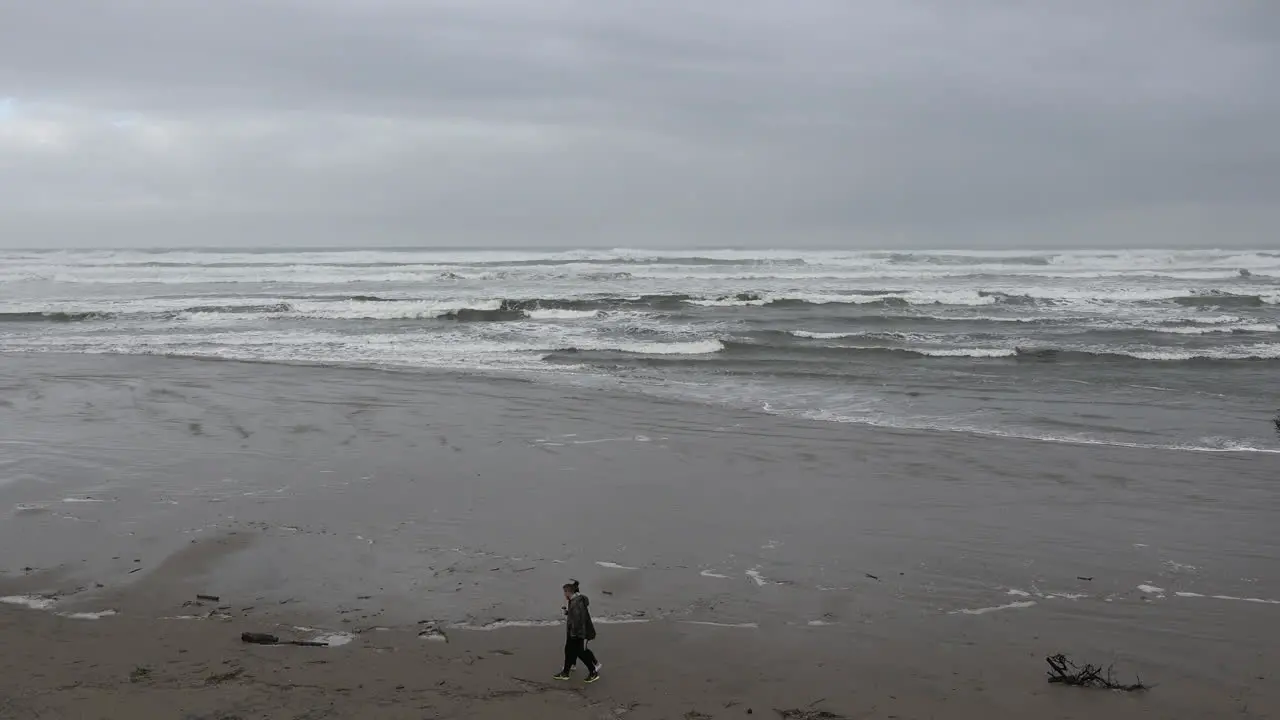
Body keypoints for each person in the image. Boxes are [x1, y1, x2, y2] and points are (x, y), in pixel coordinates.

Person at [553, 579, 600, 683]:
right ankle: (565, 673)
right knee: (569, 651)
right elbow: (575, 616)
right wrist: (568, 613)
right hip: (574, 632)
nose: (564, 594)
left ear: (569, 592)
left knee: (580, 652)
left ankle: (593, 672)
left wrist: (575, 634)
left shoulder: (576, 603)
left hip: (577, 633)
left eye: (565, 592)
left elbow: (579, 620)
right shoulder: (574, 601)